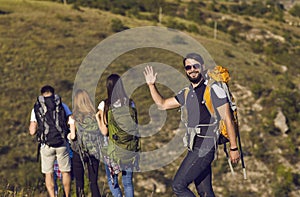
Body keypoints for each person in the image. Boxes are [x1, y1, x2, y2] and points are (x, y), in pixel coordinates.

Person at [143, 53, 240, 197]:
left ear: (202, 67)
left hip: (205, 147)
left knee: (178, 186)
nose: (192, 69)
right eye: (188, 67)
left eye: (195, 66)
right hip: (195, 145)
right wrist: (151, 85)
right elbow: (162, 104)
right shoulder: (188, 92)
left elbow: (228, 119)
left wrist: (234, 147)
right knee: (205, 191)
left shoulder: (213, 89)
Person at [96, 74, 136, 197]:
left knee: (112, 181)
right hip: (128, 147)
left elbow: (104, 131)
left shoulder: (105, 104)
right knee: (127, 182)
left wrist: (98, 118)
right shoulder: (130, 103)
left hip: (112, 149)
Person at [29, 85, 72, 197]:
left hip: (46, 146)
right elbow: (71, 120)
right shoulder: (62, 105)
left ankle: (53, 196)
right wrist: (71, 134)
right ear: (53, 93)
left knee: (48, 174)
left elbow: (32, 131)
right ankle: (67, 195)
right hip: (62, 143)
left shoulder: (36, 108)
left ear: (42, 94)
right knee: (65, 171)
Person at [68, 89, 103, 197]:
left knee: (79, 182)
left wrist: (68, 136)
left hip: (79, 152)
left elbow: (73, 136)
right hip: (94, 151)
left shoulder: (73, 117)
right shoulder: (95, 116)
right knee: (93, 182)